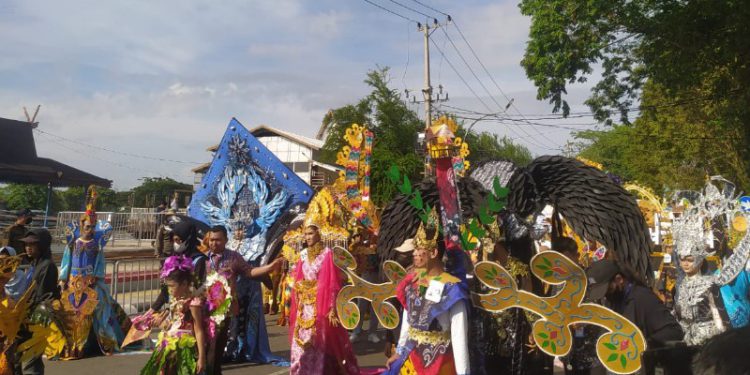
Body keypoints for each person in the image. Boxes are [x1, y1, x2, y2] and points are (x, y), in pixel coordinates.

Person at [385, 217, 470, 375]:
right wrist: (400, 351)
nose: (414, 254)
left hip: (441, 362)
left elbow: (459, 337)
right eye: (414, 250)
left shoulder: (452, 288)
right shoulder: (413, 284)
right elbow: (408, 321)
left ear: (434, 252)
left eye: (420, 250)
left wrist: (463, 372)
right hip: (412, 358)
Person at [203, 226, 284, 374]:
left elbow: (249, 271)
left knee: (217, 349)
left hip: (225, 311)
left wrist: (269, 268)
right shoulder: (202, 259)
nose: (214, 243)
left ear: (226, 240)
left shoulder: (234, 257)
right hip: (206, 311)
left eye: (218, 240)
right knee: (210, 348)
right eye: (212, 240)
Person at [289, 222, 360, 375]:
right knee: (299, 342)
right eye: (305, 234)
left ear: (318, 234)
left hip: (320, 305)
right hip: (304, 305)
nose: (307, 237)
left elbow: (331, 283)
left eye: (310, 233)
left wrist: (332, 308)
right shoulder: (302, 255)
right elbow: (298, 278)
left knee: (318, 341)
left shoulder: (327, 253)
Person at [57, 213, 128, 358]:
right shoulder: (72, 244)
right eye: (88, 226)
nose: (90, 229)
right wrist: (63, 279)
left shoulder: (97, 247)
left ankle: (106, 342)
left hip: (91, 283)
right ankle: (75, 348)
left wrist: (95, 277)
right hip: (73, 284)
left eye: (93, 227)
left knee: (101, 310)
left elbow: (100, 264)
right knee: (73, 316)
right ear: (82, 227)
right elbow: (66, 263)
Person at [586, 260, 684, 347]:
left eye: (608, 290)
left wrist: (642, 343)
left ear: (619, 279)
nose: (605, 295)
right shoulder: (613, 299)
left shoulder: (642, 298)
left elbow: (674, 331)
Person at [140, 255, 208, 375]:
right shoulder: (174, 300)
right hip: (168, 346)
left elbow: (199, 330)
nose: (170, 290)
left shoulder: (193, 303)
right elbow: (172, 324)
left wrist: (201, 357)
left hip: (184, 349)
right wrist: (161, 324)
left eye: (172, 286)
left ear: (184, 284)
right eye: (168, 286)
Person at [14, 228, 61, 375]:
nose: (28, 247)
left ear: (42, 245)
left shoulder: (47, 266)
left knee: (31, 360)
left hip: (38, 318)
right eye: (26, 244)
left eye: (32, 244)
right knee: (17, 357)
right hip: (28, 317)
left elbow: (43, 296)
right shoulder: (34, 265)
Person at [149, 221, 208, 314]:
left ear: (188, 238)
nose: (175, 244)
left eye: (178, 240)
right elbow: (167, 290)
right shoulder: (174, 259)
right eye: (174, 240)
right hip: (177, 310)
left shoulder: (199, 260)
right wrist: (152, 310)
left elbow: (199, 289)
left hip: (193, 310)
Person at [349, 229, 380, 344]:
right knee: (361, 305)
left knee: (375, 305)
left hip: (376, 275)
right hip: (363, 276)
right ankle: (357, 331)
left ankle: (372, 332)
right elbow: (351, 255)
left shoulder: (378, 241)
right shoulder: (358, 241)